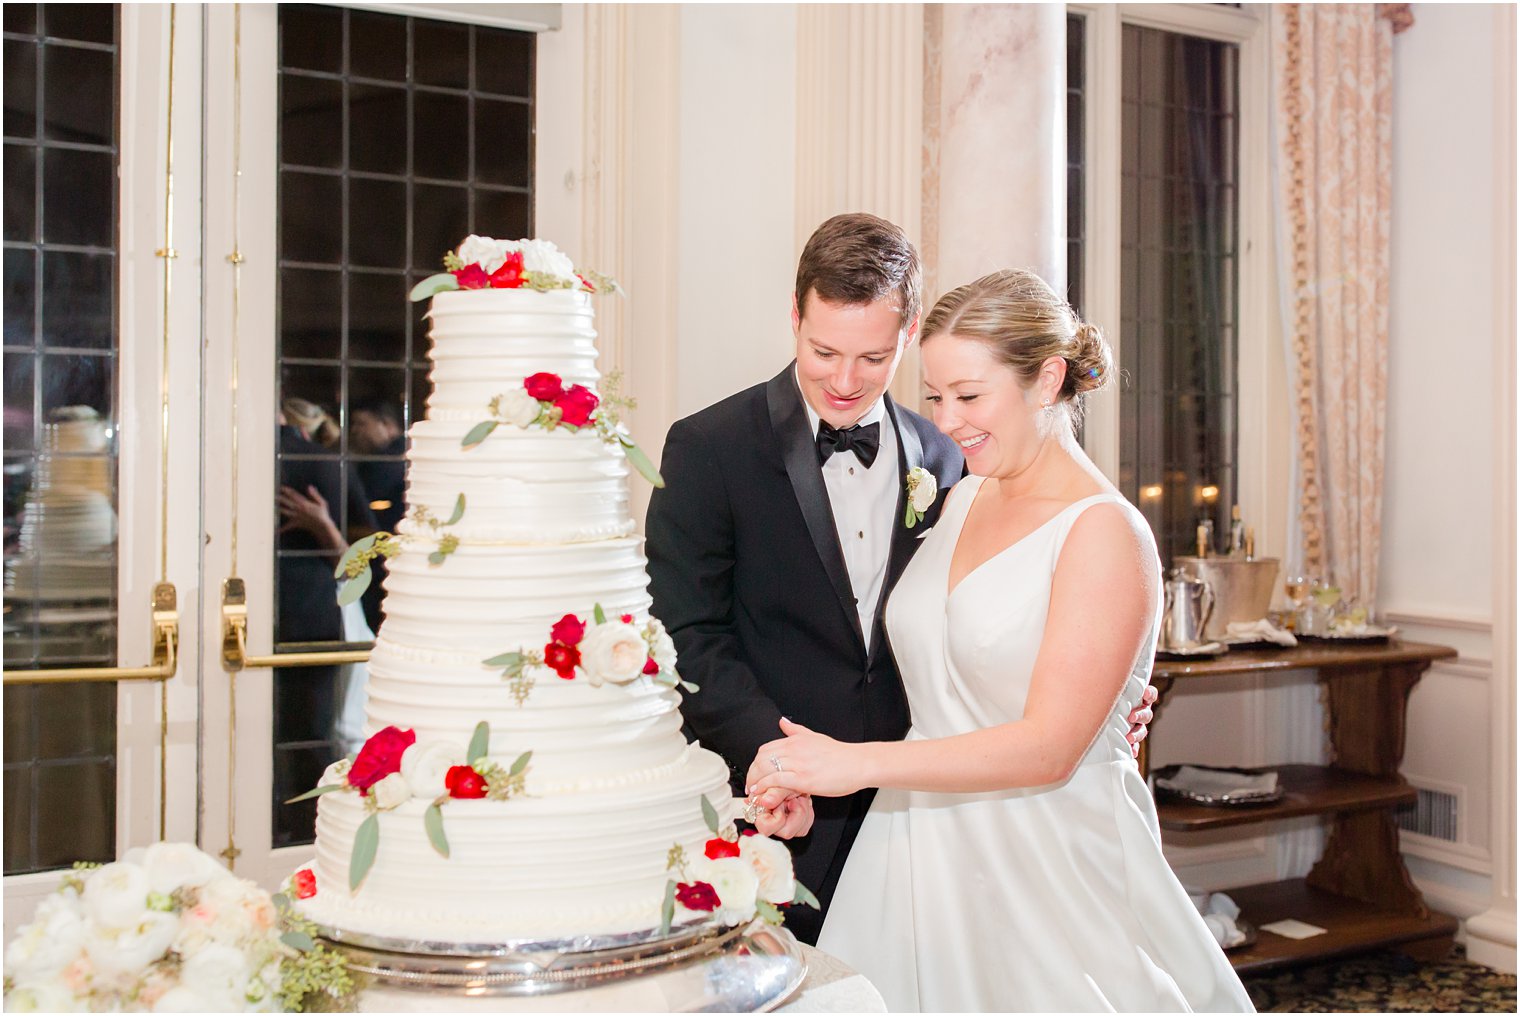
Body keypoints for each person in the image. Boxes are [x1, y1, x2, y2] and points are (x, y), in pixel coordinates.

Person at [743, 269, 1255, 1012]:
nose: (946, 423)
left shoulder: (1104, 532)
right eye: (936, 396)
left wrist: (850, 764)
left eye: (971, 396)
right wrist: (808, 777)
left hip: (1046, 862)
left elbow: (1050, 747)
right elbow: (933, 673)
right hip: (912, 851)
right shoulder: (960, 496)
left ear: (1047, 379)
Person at [645, 215, 1155, 945]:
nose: (846, 381)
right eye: (824, 351)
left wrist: (1114, 691)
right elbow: (686, 635)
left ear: (908, 333)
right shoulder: (709, 447)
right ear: (795, 317)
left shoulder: (946, 457)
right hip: (778, 798)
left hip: (927, 804)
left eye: (874, 357)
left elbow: (1027, 622)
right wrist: (778, 759)